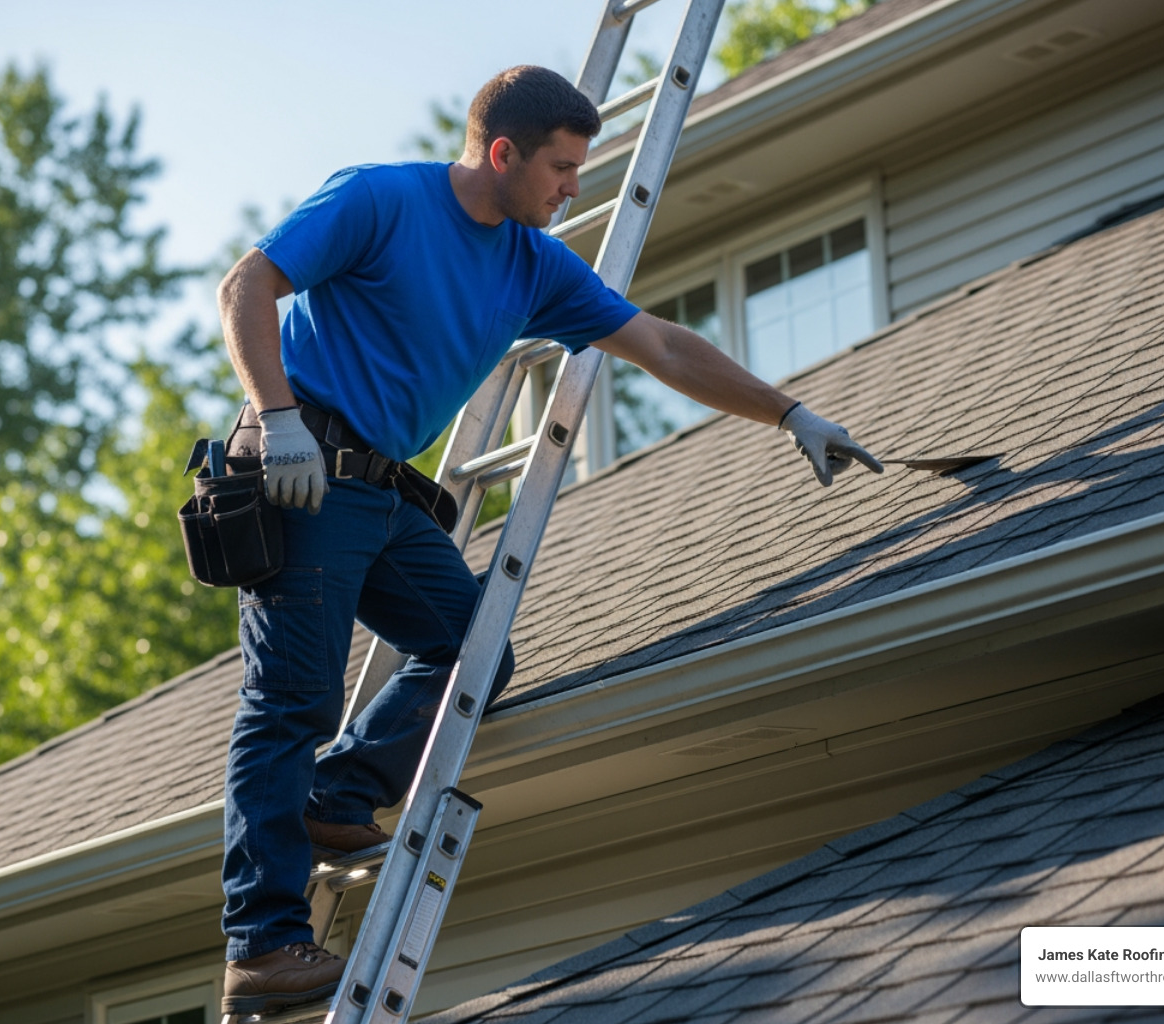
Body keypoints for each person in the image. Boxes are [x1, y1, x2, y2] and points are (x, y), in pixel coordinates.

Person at [214, 65, 881, 1016]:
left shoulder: (533, 265)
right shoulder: (379, 200)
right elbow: (248, 284)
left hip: (380, 489)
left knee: (475, 649)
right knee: (291, 701)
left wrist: (791, 413)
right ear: (503, 153)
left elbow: (663, 345)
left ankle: (337, 794)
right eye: (562, 169)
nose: (573, 187)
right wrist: (275, 416)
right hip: (304, 469)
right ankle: (262, 943)